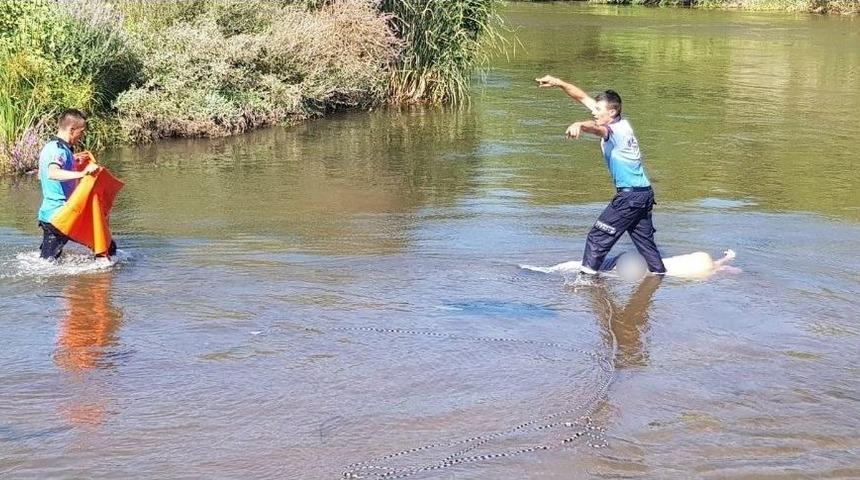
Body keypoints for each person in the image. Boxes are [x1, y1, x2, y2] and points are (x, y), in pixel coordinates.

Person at [536, 75, 665, 280]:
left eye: (598, 110)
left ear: (612, 112)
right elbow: (581, 97)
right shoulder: (619, 122)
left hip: (629, 198)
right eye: (594, 110)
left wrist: (580, 124)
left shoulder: (615, 130)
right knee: (646, 246)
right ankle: (659, 278)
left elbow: (598, 129)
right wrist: (559, 83)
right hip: (644, 194)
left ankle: (586, 284)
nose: (594, 112)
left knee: (597, 237)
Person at [36, 109, 109, 260]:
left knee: (48, 260)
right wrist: (82, 174)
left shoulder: (54, 147)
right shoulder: (58, 150)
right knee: (47, 264)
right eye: (81, 132)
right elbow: (52, 173)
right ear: (72, 129)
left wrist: (74, 162)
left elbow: (40, 175)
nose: (82, 136)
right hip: (59, 218)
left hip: (59, 215)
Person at [526, 249, 738, 280]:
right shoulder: (703, 266)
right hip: (643, 266)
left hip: (638, 267)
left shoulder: (703, 266)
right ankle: (726, 260)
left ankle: (726, 261)